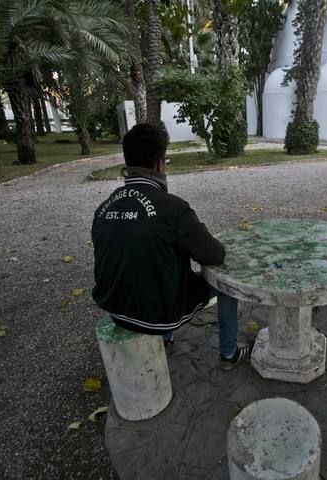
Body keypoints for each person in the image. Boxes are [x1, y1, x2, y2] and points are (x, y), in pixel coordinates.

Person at [91, 123, 249, 370]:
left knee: (148, 267)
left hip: (113, 307)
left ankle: (166, 341)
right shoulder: (173, 208)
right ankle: (229, 353)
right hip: (159, 313)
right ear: (159, 165)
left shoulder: (104, 207)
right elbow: (214, 255)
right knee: (226, 285)